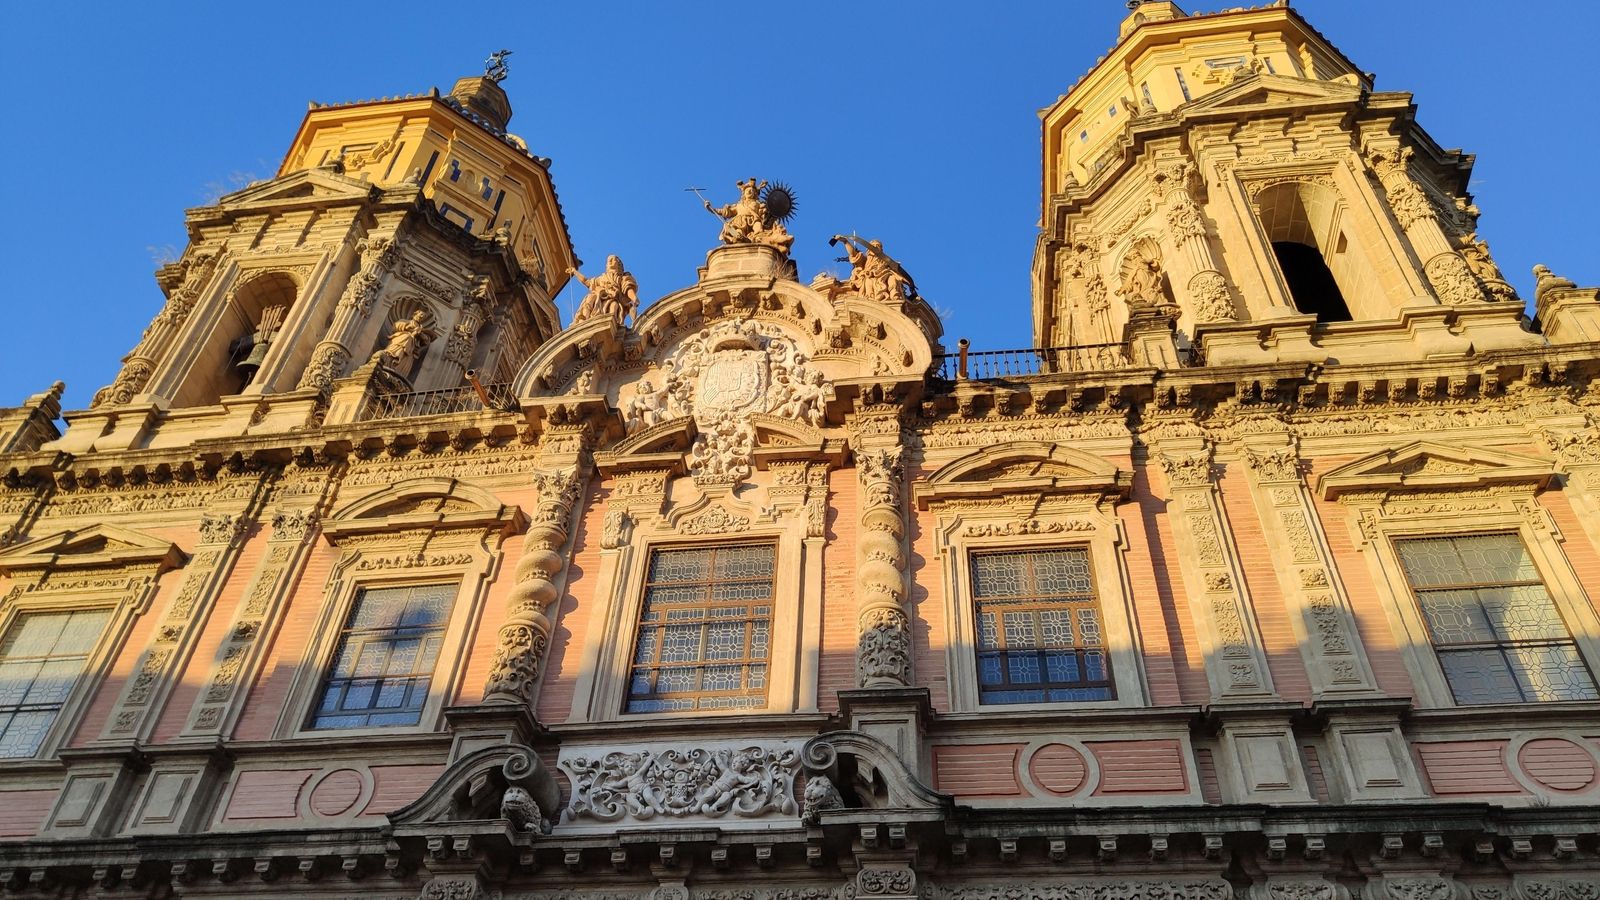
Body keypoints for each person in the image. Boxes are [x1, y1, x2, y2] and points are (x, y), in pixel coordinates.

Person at [568, 255, 640, 327]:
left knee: (614, 306)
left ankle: (611, 326)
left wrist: (634, 298)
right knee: (590, 298)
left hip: (614, 299)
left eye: (613, 260)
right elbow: (587, 281)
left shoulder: (622, 278)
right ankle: (583, 320)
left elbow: (627, 288)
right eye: (608, 261)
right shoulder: (602, 278)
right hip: (599, 297)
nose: (610, 261)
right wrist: (575, 272)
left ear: (619, 265)